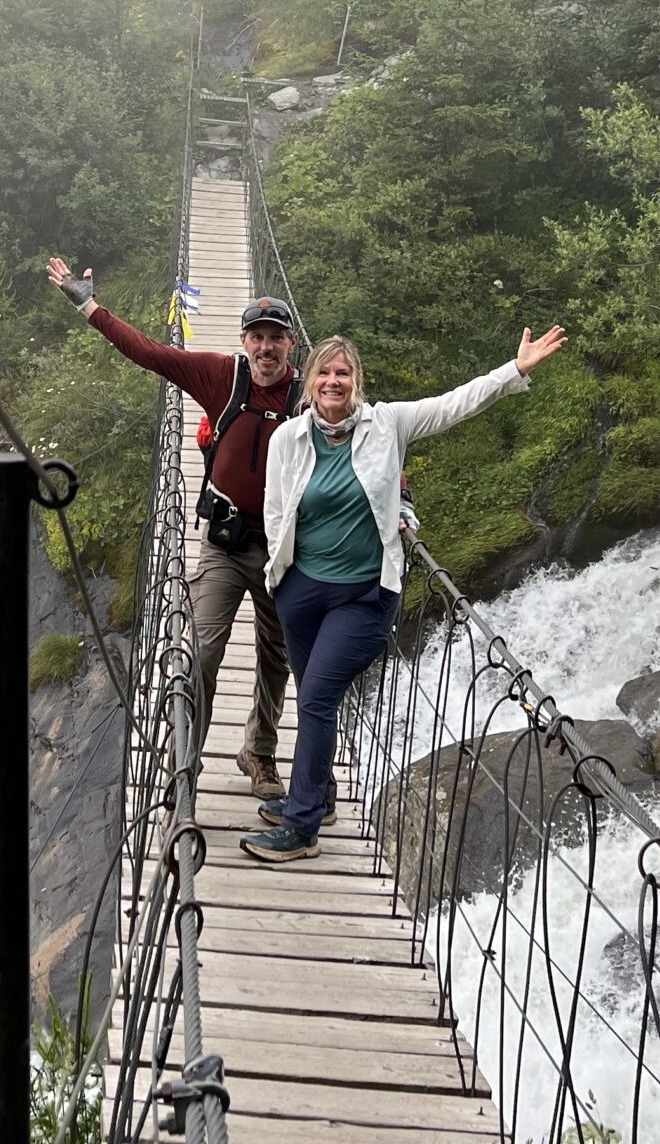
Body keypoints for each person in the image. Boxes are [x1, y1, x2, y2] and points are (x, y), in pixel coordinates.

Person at [240, 324, 569, 863]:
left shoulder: (387, 424)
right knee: (313, 698)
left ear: (358, 382)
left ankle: (300, 830)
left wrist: (516, 370)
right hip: (300, 594)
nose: (333, 381)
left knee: (318, 696)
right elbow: (277, 511)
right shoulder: (287, 439)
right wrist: (281, 582)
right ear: (309, 382)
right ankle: (318, 798)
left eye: (343, 373)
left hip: (363, 597)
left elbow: (451, 405)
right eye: (324, 371)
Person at [47, 255, 298, 798]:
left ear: (291, 345)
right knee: (203, 652)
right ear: (244, 340)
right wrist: (88, 304)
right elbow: (152, 354)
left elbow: (365, 437)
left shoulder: (308, 397)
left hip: (284, 552)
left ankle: (259, 753)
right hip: (226, 546)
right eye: (257, 337)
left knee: (277, 657)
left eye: (275, 337)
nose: (265, 348)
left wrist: (399, 506)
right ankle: (186, 765)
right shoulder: (220, 376)